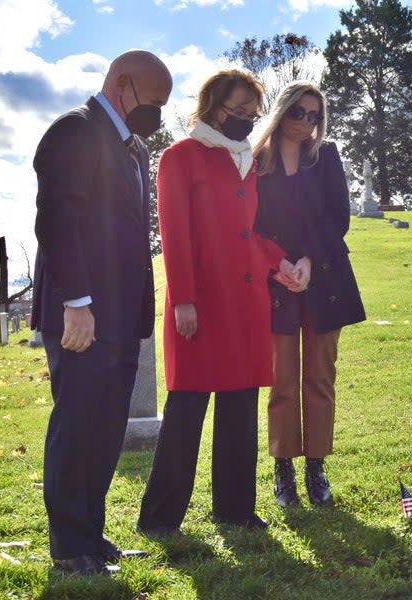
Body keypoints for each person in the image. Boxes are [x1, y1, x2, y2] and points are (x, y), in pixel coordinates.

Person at [32, 50, 172, 575]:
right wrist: (76, 304)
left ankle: (90, 533)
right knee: (77, 425)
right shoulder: (74, 131)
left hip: (119, 315)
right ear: (123, 84)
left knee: (106, 427)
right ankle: (69, 549)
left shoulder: (132, 148)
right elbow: (59, 223)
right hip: (82, 313)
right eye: (153, 102)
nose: (156, 113)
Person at [137, 69, 295, 535]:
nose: (245, 120)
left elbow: (249, 236)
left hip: (246, 304)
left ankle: (235, 510)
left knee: (241, 409)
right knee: (186, 411)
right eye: (236, 110)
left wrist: (280, 263)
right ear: (212, 106)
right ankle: (160, 519)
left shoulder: (246, 159)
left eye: (252, 112)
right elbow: (174, 233)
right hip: (201, 305)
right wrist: (183, 298)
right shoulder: (179, 157)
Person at [253, 81, 366, 507]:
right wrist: (280, 263)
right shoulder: (258, 160)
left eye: (315, 115)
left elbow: (338, 217)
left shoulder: (327, 157)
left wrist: (306, 260)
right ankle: (283, 470)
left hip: (324, 278)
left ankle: (316, 467)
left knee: (320, 377)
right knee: (282, 379)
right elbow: (253, 223)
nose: (306, 122)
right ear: (283, 111)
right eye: (298, 112)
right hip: (277, 279)